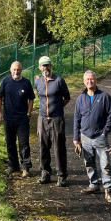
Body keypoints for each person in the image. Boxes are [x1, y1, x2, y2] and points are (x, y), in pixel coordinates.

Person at [73, 70, 111, 203]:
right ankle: (93, 184)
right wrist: (76, 138)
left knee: (105, 164)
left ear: (96, 80)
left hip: (100, 136)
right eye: (87, 80)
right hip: (85, 136)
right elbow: (76, 119)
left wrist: (105, 131)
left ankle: (108, 189)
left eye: (92, 79)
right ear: (84, 82)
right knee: (89, 163)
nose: (89, 82)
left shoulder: (104, 96)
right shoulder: (80, 98)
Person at [34, 55, 71, 186]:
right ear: (39, 67)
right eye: (43, 65)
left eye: (48, 65)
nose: (46, 67)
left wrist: (58, 108)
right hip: (42, 118)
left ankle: (61, 176)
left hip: (56, 119)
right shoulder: (37, 82)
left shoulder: (59, 81)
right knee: (43, 146)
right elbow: (40, 97)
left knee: (58, 147)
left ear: (51, 66)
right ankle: (45, 174)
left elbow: (67, 97)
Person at [0, 61, 35, 176]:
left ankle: (25, 167)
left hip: (22, 119)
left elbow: (31, 99)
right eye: (14, 69)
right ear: (10, 70)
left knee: (24, 143)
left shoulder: (26, 83)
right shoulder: (5, 81)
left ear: (21, 70)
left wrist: (28, 113)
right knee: (10, 142)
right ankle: (13, 166)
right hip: (8, 118)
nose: (16, 72)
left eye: (18, 69)